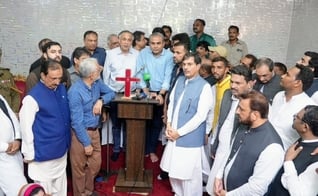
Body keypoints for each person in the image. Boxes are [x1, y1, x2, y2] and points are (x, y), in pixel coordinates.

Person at [160, 53, 213, 196]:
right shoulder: (180, 80)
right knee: (174, 171)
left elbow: (201, 116)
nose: (186, 67)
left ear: (198, 66)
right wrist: (169, 125)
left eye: (190, 64)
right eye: (184, 64)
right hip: (173, 133)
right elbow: (172, 105)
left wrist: (180, 132)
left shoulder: (205, 87)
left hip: (189, 137)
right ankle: (178, 193)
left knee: (189, 174)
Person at [214, 90, 284, 195]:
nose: (237, 112)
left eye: (241, 109)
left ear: (255, 115)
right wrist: (219, 176)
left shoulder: (273, 147)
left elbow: (256, 189)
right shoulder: (243, 125)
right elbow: (230, 153)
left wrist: (228, 195)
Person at [19, 60, 71, 196]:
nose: (57, 82)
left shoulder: (61, 89)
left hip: (61, 150)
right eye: (53, 78)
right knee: (44, 190)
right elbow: (25, 127)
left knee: (60, 189)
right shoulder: (32, 98)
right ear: (43, 75)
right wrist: (28, 153)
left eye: (60, 78)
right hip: (43, 154)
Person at [68, 58, 115, 196]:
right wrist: (86, 143)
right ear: (92, 74)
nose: (100, 68)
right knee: (79, 169)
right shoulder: (75, 92)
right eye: (98, 68)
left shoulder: (96, 83)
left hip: (95, 131)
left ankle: (88, 191)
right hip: (80, 133)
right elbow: (76, 122)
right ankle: (80, 193)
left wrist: (101, 101)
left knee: (95, 165)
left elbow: (111, 93)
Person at [206, 65, 254, 195]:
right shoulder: (227, 94)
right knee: (214, 185)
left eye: (238, 83)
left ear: (249, 84)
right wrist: (214, 144)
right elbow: (221, 122)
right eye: (232, 81)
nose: (233, 86)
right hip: (221, 148)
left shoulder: (255, 102)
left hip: (237, 153)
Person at [135, 32, 174, 162]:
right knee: (143, 123)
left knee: (156, 124)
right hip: (146, 91)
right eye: (152, 43)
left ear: (163, 43)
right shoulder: (143, 53)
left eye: (158, 43)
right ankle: (143, 150)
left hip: (161, 93)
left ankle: (151, 150)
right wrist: (146, 90)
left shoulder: (169, 56)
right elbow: (139, 72)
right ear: (148, 43)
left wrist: (160, 94)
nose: (155, 46)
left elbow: (168, 76)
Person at [103, 30, 139, 161]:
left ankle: (128, 148)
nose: (126, 42)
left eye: (129, 40)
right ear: (119, 40)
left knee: (129, 123)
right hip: (114, 94)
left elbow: (139, 74)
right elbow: (106, 75)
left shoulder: (137, 54)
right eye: (124, 39)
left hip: (131, 95)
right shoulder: (110, 54)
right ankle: (117, 148)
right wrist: (107, 95)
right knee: (116, 124)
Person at [268, 105, 318, 196]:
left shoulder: (315, 159)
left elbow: (299, 193)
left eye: (297, 117)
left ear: (305, 127)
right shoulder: (303, 140)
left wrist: (288, 162)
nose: (294, 117)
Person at [270, 64, 316, 150]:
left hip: (284, 154)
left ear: (297, 83)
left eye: (287, 75)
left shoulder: (308, 107)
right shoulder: (279, 95)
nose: (282, 76)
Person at [0, 95, 27, 196]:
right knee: (21, 191)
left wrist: (17, 139)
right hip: (4, 154)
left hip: (13, 153)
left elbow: (12, 117)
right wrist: (5, 147)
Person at [211, 57, 231, 131]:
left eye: (219, 67)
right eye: (213, 67)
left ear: (226, 69)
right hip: (213, 130)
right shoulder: (214, 86)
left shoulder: (231, 85)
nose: (215, 71)